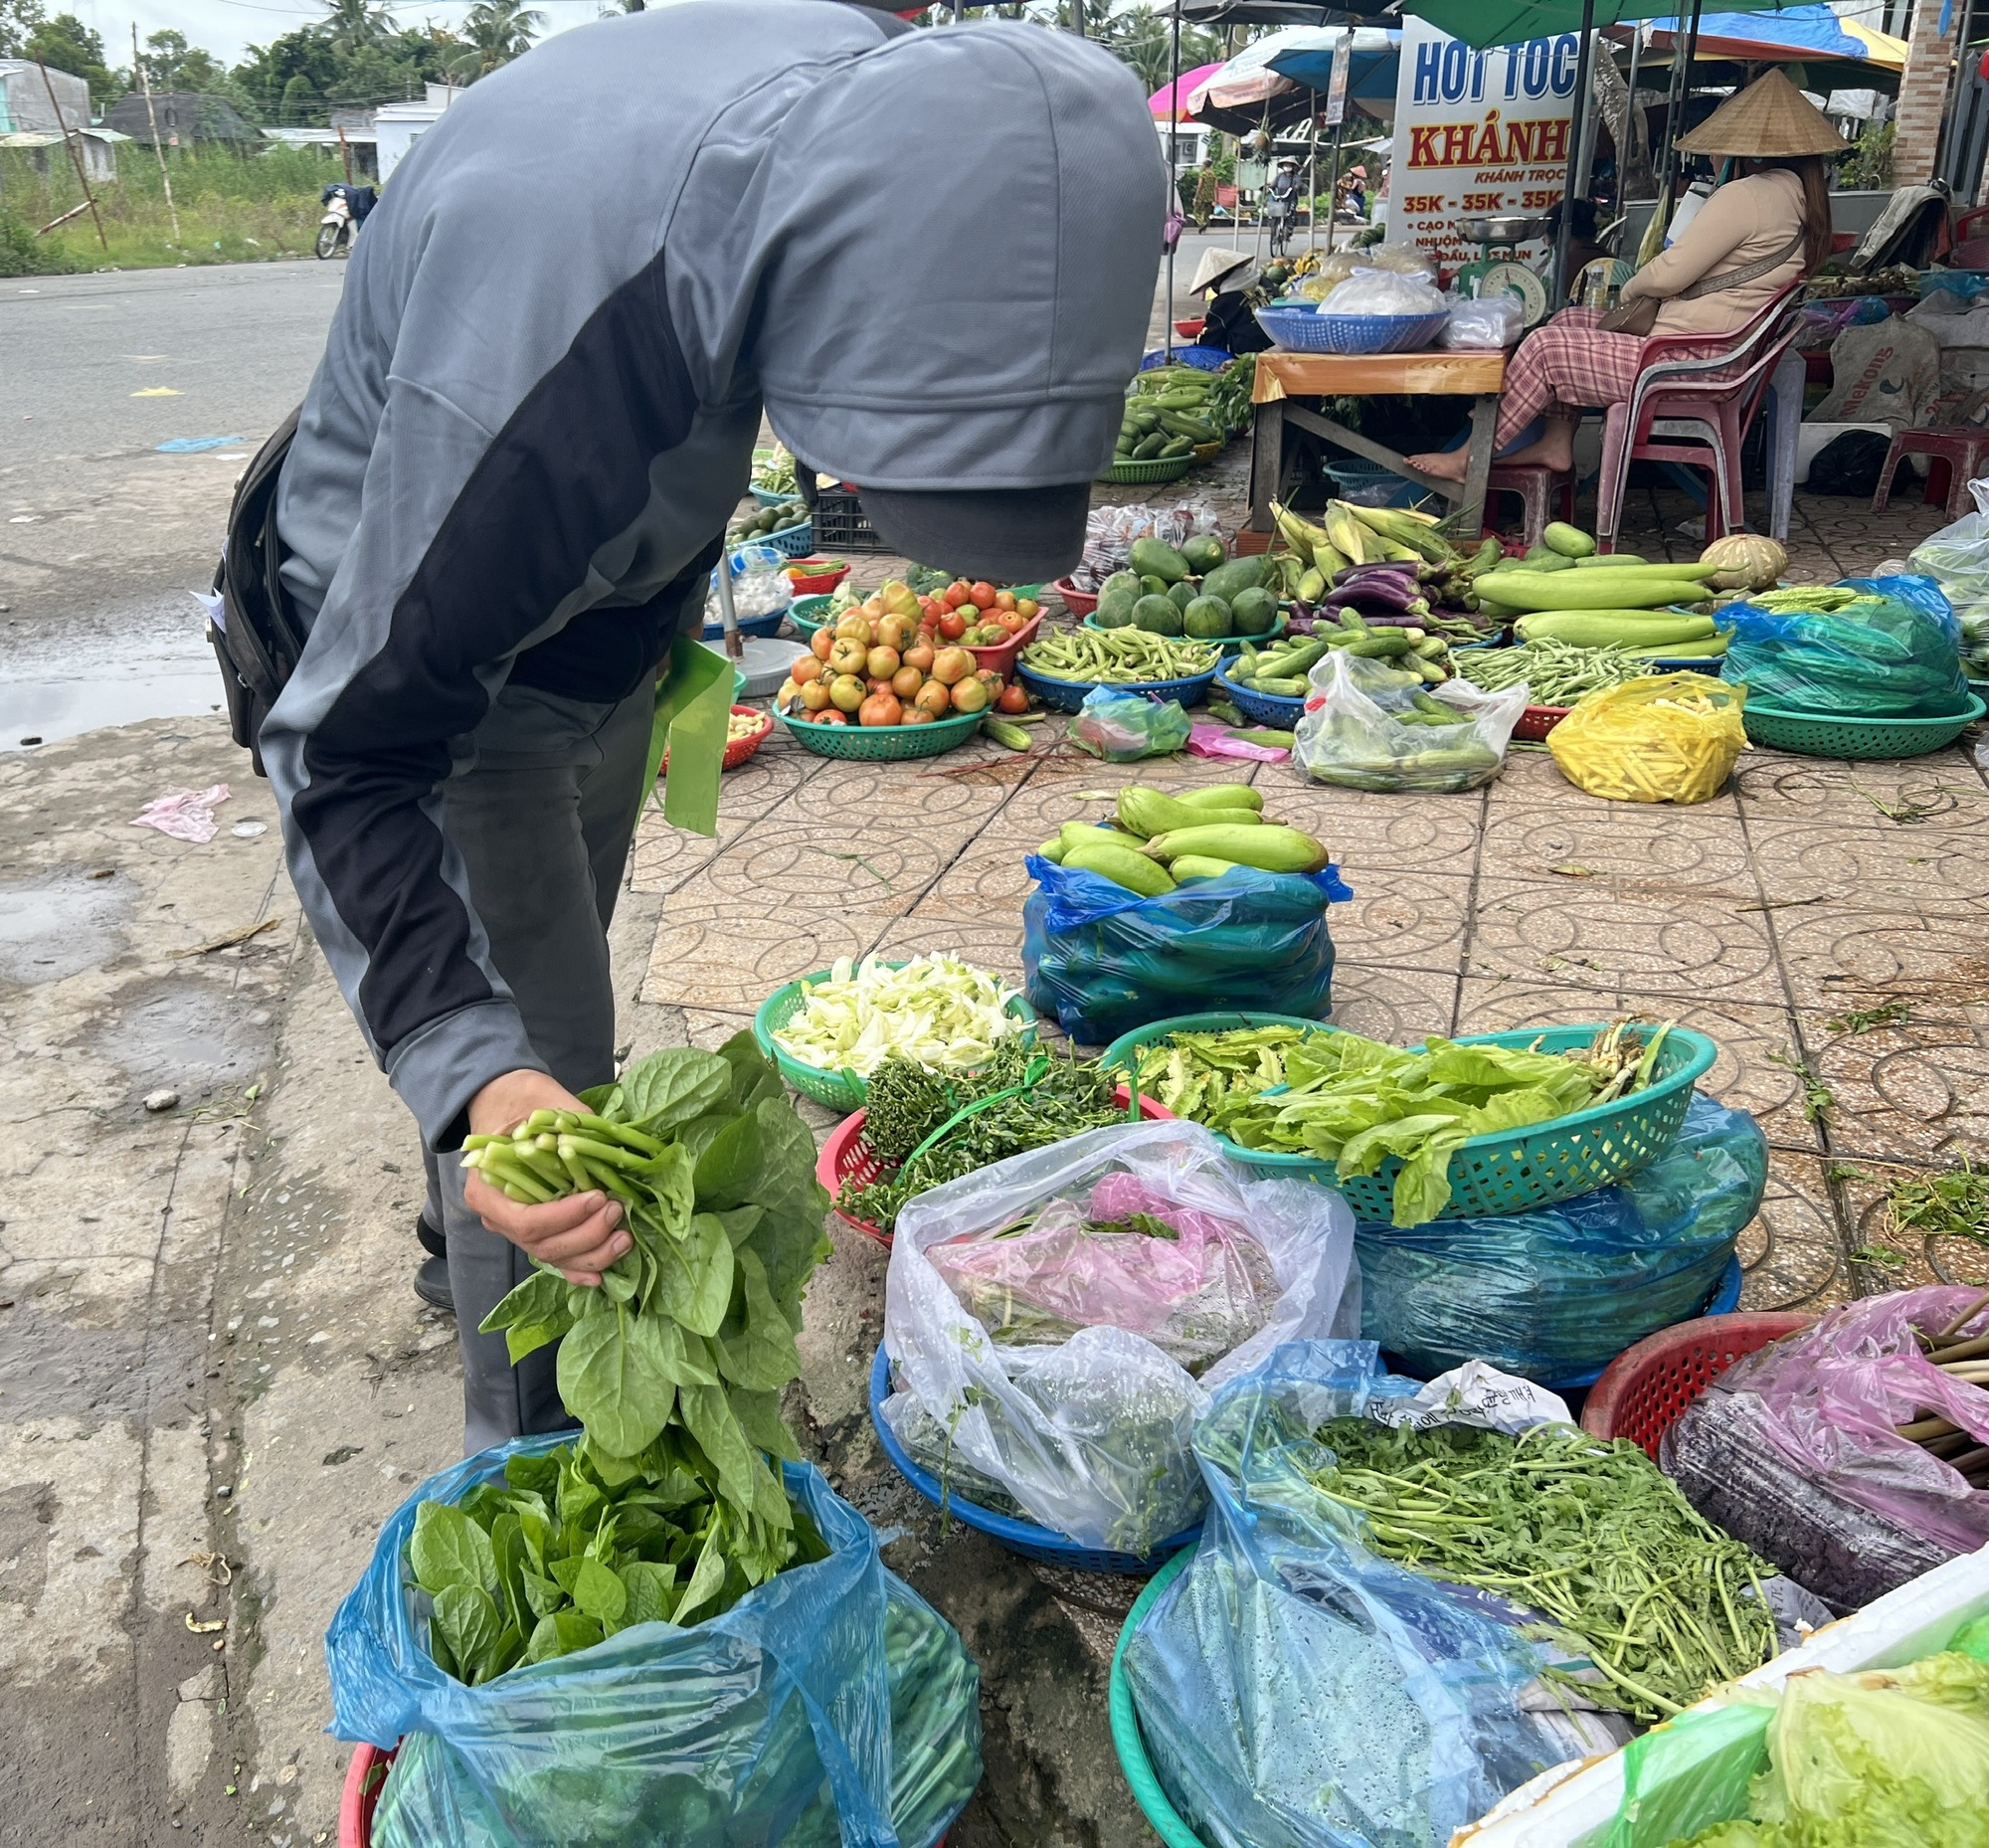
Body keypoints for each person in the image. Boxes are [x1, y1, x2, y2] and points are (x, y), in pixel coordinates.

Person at [257, 1, 1163, 1453]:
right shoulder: (541, 349)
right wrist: (482, 1072)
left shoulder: (877, 94)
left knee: (540, 1005)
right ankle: (551, 1472)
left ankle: (466, 1215)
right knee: (542, 1097)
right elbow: (351, 752)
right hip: (427, 672)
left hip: (607, 624)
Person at [1410, 70, 1838, 484]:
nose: (1713, 156)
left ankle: (1469, 458)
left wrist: (1629, 290)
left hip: (1682, 365)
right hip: (1711, 355)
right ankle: (1556, 443)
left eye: (1716, 145)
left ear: (1743, 146)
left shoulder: (1748, 194)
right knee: (1568, 320)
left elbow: (1670, 273)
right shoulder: (1797, 197)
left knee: (1543, 346)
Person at [1190, 247, 1271, 355]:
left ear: (1218, 279)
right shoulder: (1264, 281)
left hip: (1249, 350)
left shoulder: (1225, 301)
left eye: (1212, 285)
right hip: (1276, 339)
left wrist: (1193, 352)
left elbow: (1208, 338)